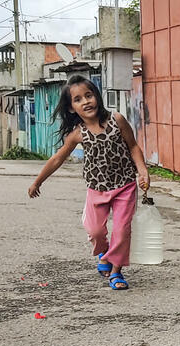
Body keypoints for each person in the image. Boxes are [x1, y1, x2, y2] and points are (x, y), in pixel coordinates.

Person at [27, 75, 150, 290]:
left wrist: (143, 172)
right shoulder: (78, 134)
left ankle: (116, 271)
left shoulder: (117, 119)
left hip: (125, 185)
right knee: (95, 231)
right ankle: (104, 254)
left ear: (97, 97)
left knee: (121, 230)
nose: (85, 101)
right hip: (97, 188)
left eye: (89, 95)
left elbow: (133, 147)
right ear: (72, 108)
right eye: (78, 99)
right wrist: (38, 182)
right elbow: (58, 158)